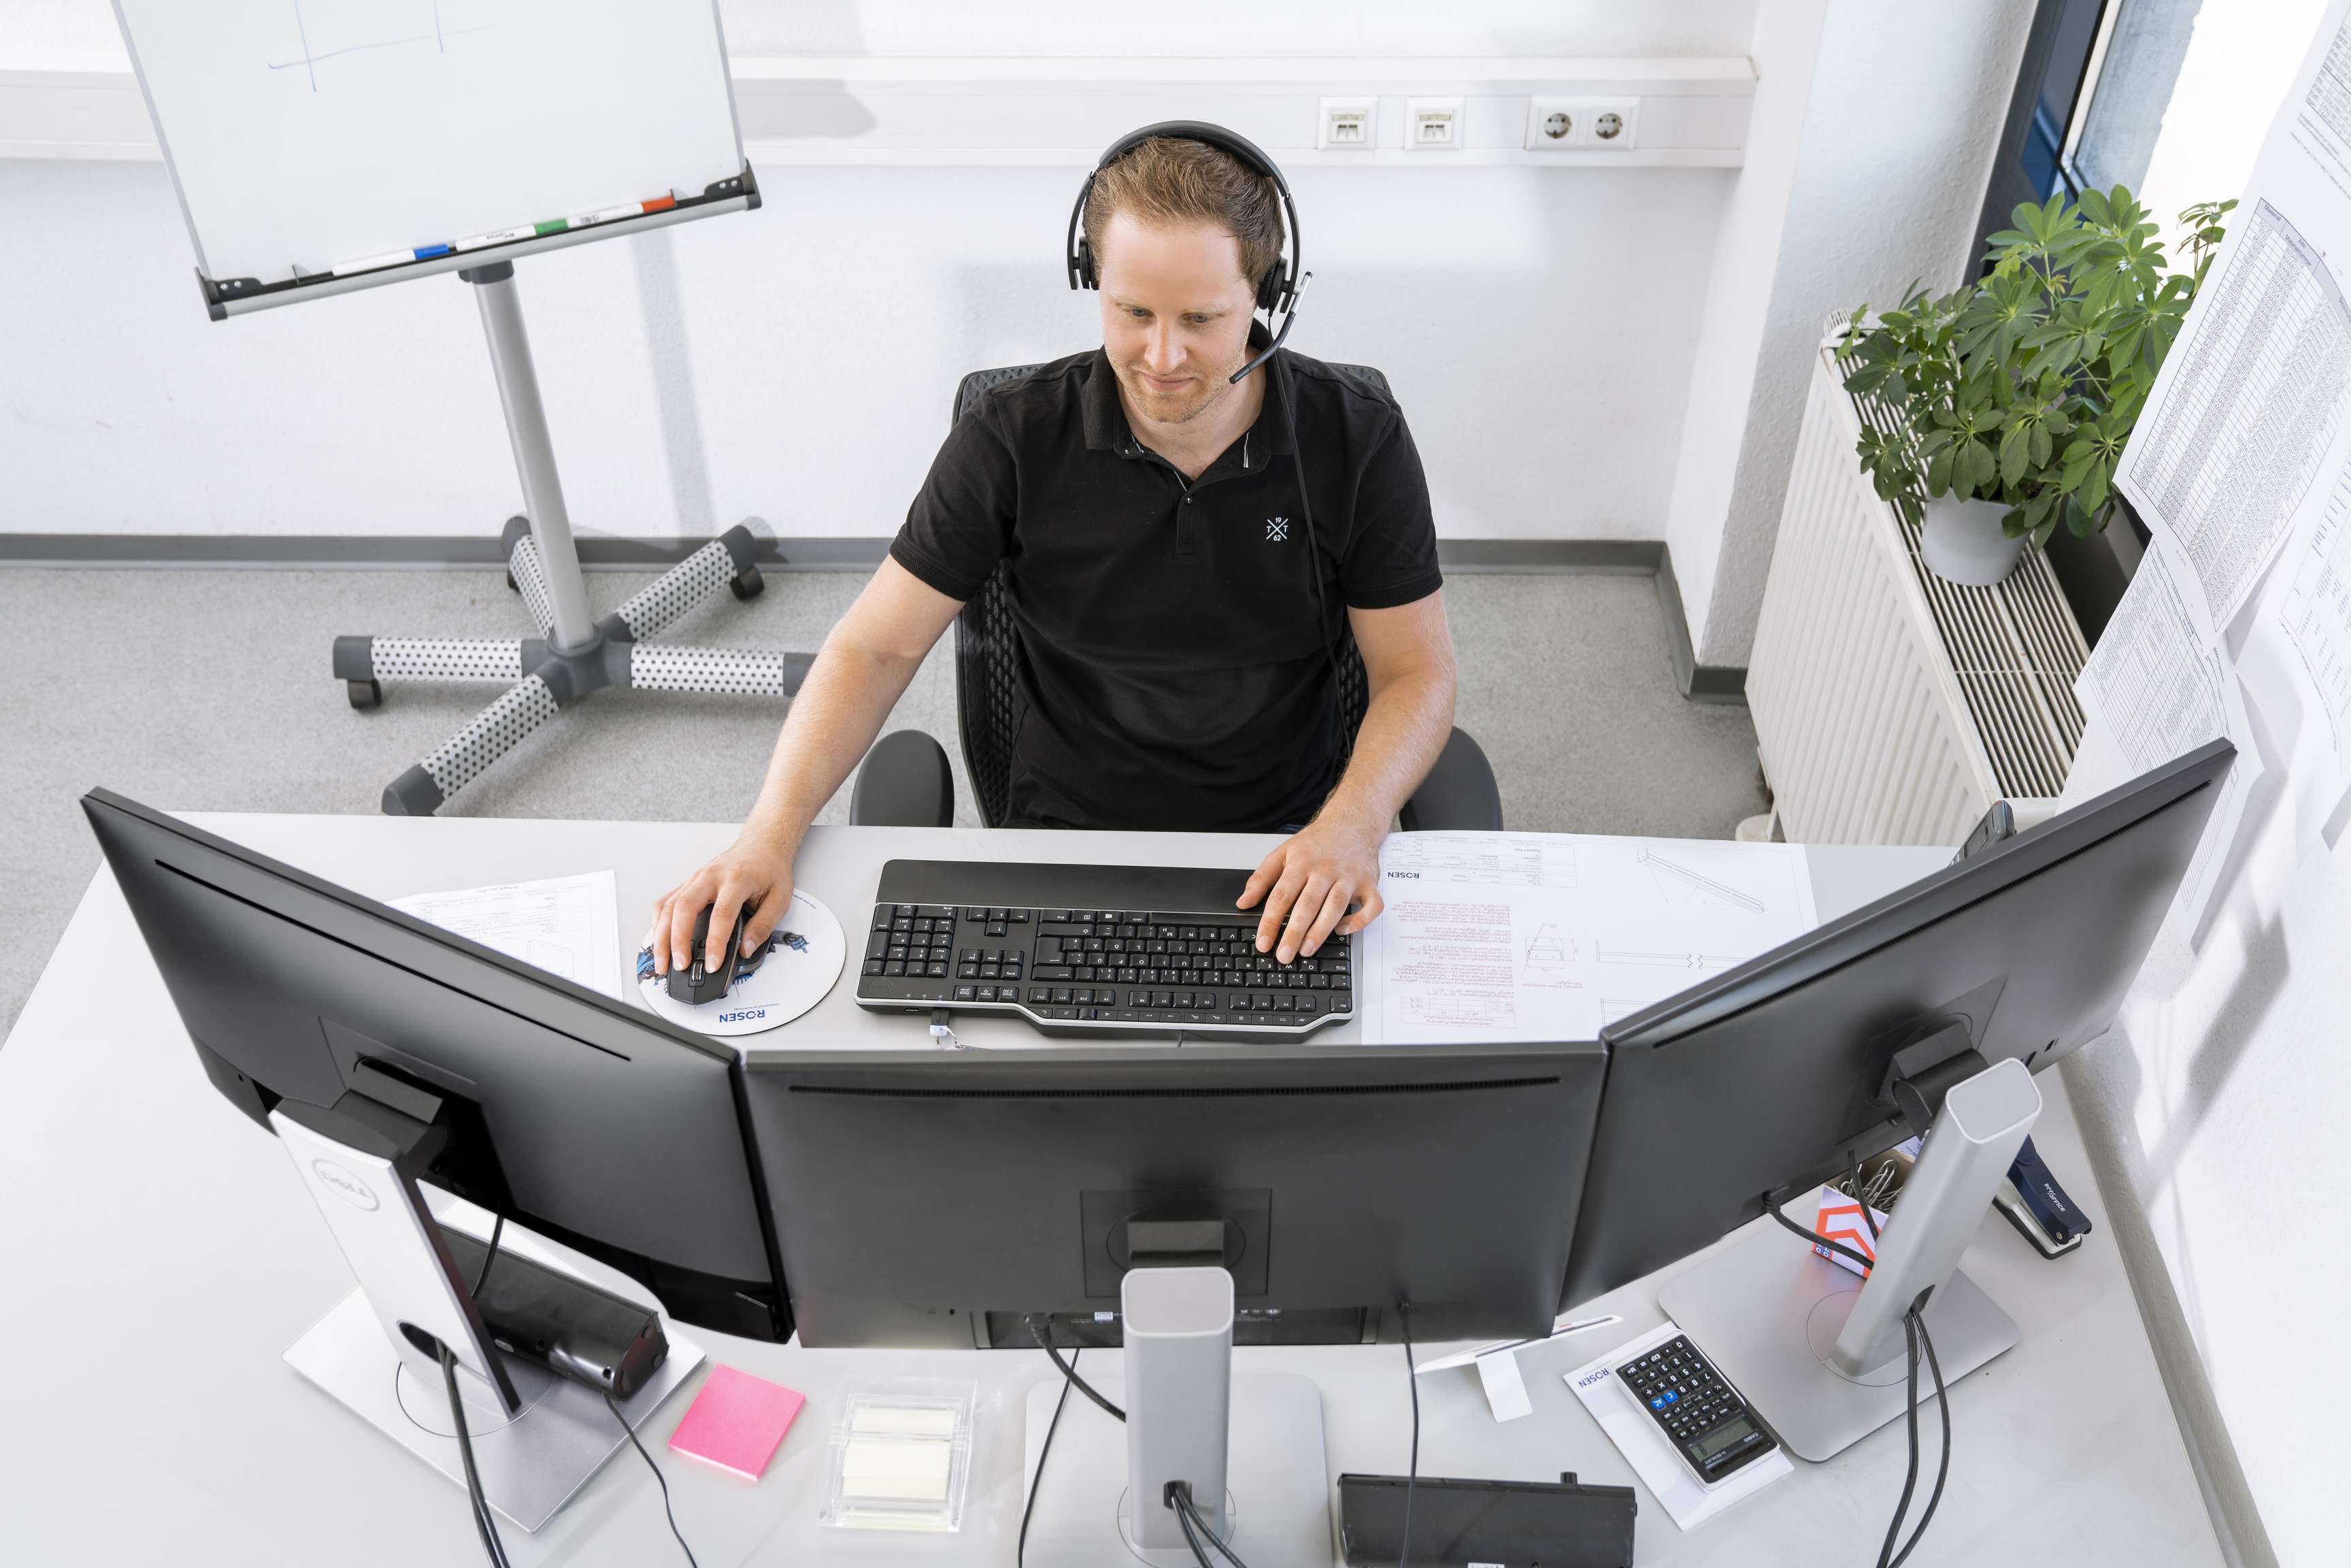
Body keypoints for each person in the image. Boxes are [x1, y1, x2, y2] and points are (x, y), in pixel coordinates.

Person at [650, 130, 1458, 983]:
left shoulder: (1355, 435)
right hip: (1064, 846)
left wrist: (1355, 822)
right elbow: (876, 644)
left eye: (1203, 319)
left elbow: (1417, 671)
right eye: (1133, 312)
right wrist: (767, 835)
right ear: (1092, 283)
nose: (1163, 357)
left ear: (1268, 294)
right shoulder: (1010, 436)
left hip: (1289, 839)